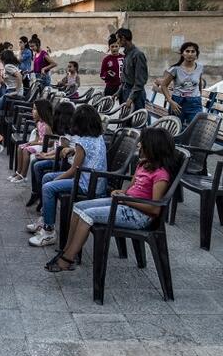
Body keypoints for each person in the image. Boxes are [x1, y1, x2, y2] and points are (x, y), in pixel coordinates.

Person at [46, 127, 180, 272]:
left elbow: (155, 208)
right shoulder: (143, 165)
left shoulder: (161, 175)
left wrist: (124, 199)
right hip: (125, 202)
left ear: (153, 147)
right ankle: (67, 249)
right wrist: (122, 192)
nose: (140, 145)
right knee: (78, 207)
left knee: (88, 215)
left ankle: (68, 259)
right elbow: (133, 188)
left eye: (143, 143)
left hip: (138, 216)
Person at [28, 105, 107, 246]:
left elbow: (72, 171)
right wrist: (71, 149)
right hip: (95, 181)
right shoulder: (98, 137)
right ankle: (45, 218)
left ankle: (49, 232)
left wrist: (55, 181)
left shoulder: (82, 143)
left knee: (48, 187)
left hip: (86, 184)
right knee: (47, 177)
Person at [27, 101, 75, 208]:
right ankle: (36, 192)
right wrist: (46, 155)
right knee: (35, 161)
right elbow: (59, 149)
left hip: (65, 163)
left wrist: (47, 156)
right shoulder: (65, 130)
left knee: (37, 165)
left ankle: (41, 193)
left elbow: (62, 154)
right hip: (61, 159)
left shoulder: (68, 133)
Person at [9, 99, 54, 183]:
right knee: (20, 147)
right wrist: (31, 142)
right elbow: (38, 137)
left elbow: (50, 142)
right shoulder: (38, 123)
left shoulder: (46, 126)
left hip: (46, 147)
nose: (32, 111)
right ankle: (18, 171)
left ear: (41, 111)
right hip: (39, 144)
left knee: (26, 150)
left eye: (35, 109)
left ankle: (23, 175)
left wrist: (36, 143)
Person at [162, 41, 204, 126]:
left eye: (193, 51)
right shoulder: (175, 69)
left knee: (195, 128)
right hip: (178, 103)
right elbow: (163, 85)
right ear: (182, 53)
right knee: (175, 129)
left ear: (196, 54)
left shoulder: (200, 67)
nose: (190, 54)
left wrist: (199, 96)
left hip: (195, 103)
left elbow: (199, 82)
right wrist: (170, 101)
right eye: (187, 51)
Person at [116, 28, 148, 111]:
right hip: (126, 92)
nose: (117, 42)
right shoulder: (127, 54)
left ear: (123, 38)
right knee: (125, 121)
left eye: (118, 39)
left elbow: (140, 81)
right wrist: (119, 92)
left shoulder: (138, 55)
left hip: (136, 95)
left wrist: (131, 98)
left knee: (136, 122)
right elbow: (126, 78)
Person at [0, 49, 23, 114]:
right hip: (11, 90)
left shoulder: (7, 66)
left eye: (1, 59)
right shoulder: (12, 65)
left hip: (13, 91)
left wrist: (17, 91)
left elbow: (19, 76)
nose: (0, 60)